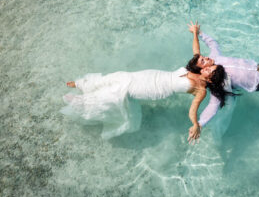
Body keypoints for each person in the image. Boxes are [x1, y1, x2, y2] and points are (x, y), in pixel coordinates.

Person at [62, 61, 228, 143]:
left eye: (210, 71)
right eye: (209, 66)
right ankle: (83, 85)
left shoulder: (201, 90)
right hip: (149, 75)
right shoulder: (196, 68)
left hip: (155, 89)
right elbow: (197, 52)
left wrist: (195, 124)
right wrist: (195, 33)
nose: (207, 67)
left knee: (121, 92)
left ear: (212, 80)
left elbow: (193, 109)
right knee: (120, 77)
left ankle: (82, 103)